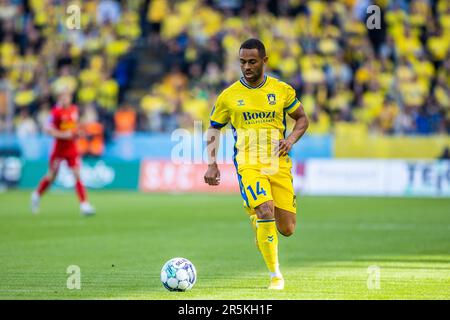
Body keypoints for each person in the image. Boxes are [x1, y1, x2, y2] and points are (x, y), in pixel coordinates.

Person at [204, 39, 309, 290]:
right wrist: (211, 164)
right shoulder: (229, 96)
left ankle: (259, 226)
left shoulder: (281, 90)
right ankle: (276, 276)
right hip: (248, 163)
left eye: (252, 61)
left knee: (287, 228)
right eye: (242, 62)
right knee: (265, 210)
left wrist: (291, 139)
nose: (247, 67)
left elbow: (302, 118)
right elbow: (213, 128)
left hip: (278, 164)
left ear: (265, 60)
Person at [31, 91, 95, 216]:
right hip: (59, 149)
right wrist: (63, 135)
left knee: (77, 175)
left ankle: (84, 205)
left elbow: (75, 127)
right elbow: (47, 129)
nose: (66, 99)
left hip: (71, 148)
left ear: (70, 98)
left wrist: (79, 132)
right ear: (60, 98)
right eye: (63, 97)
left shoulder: (74, 110)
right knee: (51, 176)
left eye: (67, 97)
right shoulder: (56, 112)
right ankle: (37, 194)